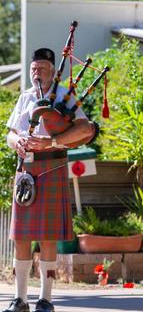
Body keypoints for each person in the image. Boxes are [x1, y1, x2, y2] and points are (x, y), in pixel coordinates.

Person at [4, 48, 94, 312]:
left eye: (42, 68)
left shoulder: (65, 95)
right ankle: (20, 300)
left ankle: (46, 300)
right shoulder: (25, 97)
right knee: (21, 238)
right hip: (25, 171)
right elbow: (10, 133)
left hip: (51, 168)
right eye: (34, 68)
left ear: (53, 71)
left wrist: (52, 141)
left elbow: (85, 129)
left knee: (47, 238)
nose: (37, 73)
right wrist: (17, 141)